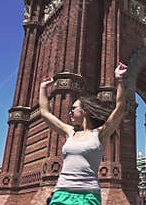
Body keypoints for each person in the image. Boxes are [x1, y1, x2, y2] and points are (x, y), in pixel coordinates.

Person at [39, 63, 128, 205]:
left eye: (73, 109)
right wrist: (43, 88)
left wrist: (119, 80)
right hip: (62, 193)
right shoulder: (70, 132)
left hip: (88, 195)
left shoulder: (100, 134)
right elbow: (45, 112)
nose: (70, 113)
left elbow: (120, 107)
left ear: (84, 110)